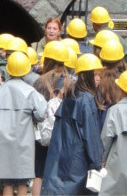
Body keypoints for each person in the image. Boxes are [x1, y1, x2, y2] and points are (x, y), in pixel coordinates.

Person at [0, 52, 48, 196]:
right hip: (24, 142)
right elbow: (41, 113)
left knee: (7, 182)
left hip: (2, 141)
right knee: (22, 181)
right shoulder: (30, 92)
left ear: (8, 69)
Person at [41, 54, 104, 195]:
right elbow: (90, 134)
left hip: (62, 154)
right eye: (95, 74)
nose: (98, 78)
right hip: (78, 160)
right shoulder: (86, 99)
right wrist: (96, 162)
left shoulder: (71, 94)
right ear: (87, 75)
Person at [32, 40, 73, 196]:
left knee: (39, 173)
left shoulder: (38, 82)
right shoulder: (71, 82)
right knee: (61, 172)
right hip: (63, 134)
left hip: (43, 134)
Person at [99, 70, 127, 196]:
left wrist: (102, 160)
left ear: (121, 90)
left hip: (116, 161)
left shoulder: (114, 110)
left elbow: (105, 139)